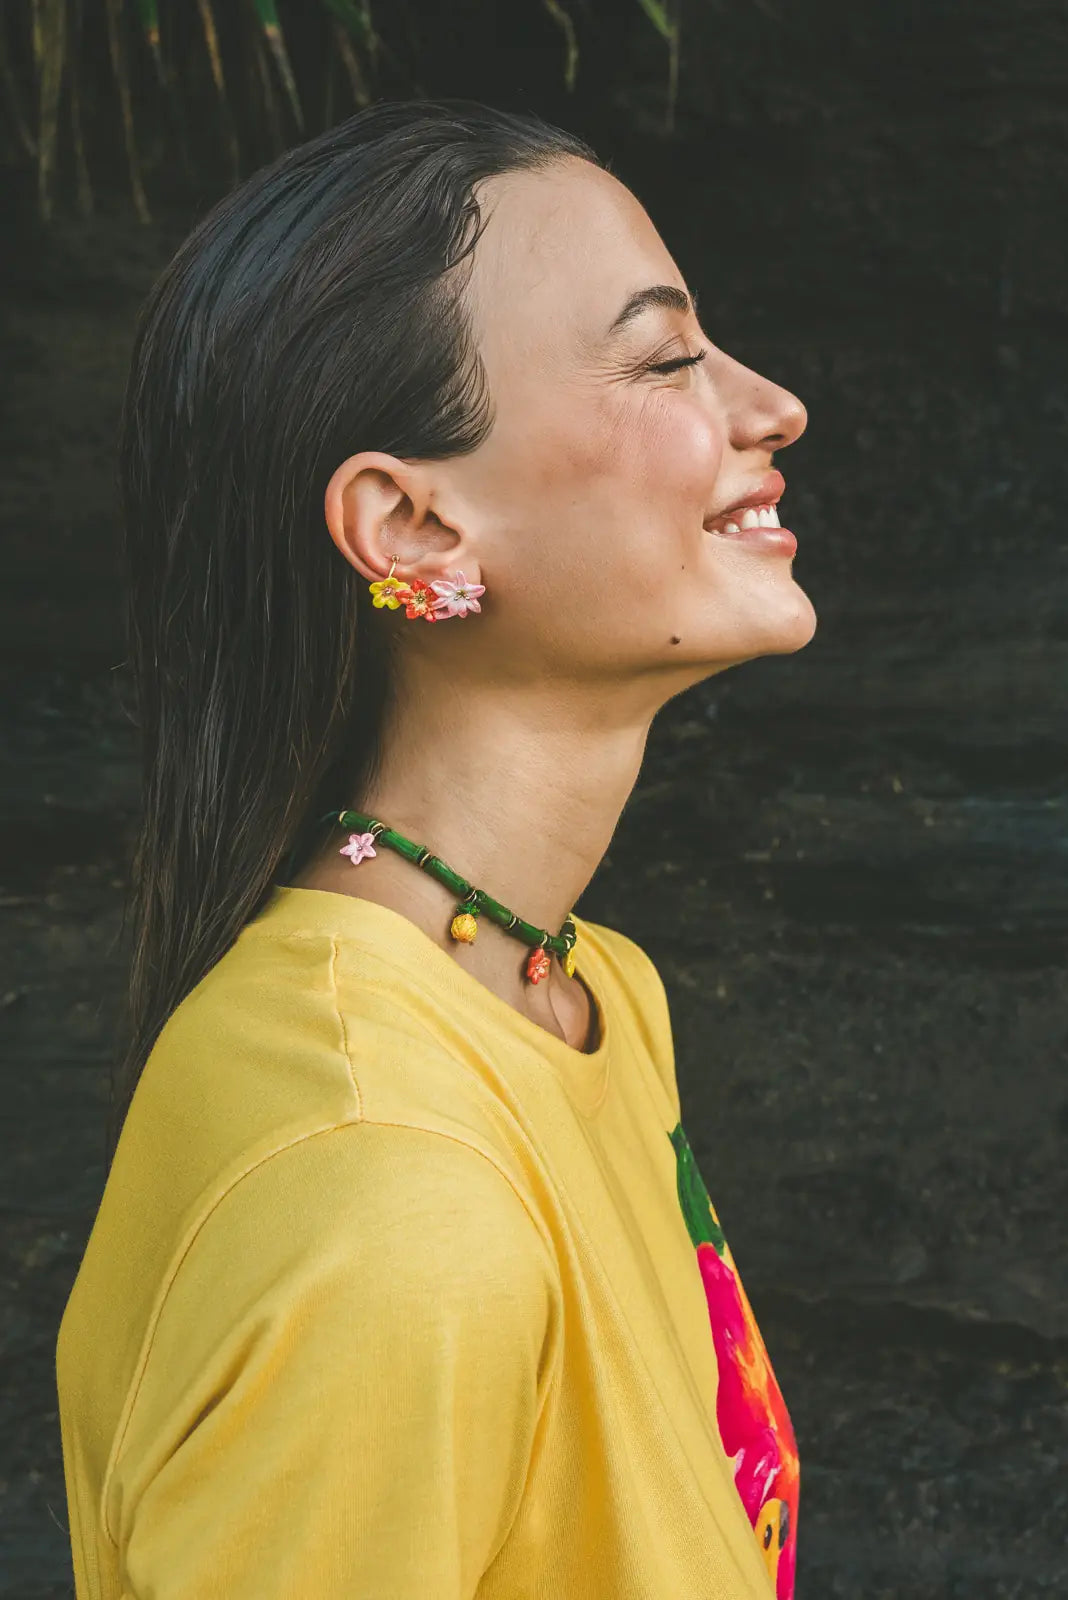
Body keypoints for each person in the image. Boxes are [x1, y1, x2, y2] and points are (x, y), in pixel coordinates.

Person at [55, 98, 815, 1599]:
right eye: (666, 358)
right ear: (410, 529)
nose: (770, 403)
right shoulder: (390, 1196)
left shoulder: (582, 994)